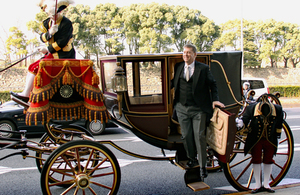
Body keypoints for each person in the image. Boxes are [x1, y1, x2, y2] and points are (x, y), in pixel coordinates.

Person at [171, 44, 225, 178]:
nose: (186, 55)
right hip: (182, 108)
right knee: (186, 135)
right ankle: (191, 159)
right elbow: (173, 83)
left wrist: (215, 100)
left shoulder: (203, 68)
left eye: (189, 53)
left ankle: (202, 166)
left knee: (199, 136)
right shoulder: (178, 67)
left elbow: (213, 84)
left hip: (198, 109)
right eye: (184, 52)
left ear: (195, 55)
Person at [10, 0, 75, 103]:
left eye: (55, 14)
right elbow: (42, 37)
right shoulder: (46, 23)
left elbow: (62, 42)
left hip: (64, 55)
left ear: (60, 11)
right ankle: (26, 93)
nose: (53, 16)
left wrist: (47, 49)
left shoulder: (66, 23)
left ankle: (27, 95)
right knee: (32, 66)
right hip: (51, 54)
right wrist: (49, 33)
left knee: (38, 66)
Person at [236, 95, 283, 193]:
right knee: (256, 159)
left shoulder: (278, 109)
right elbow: (245, 119)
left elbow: (279, 124)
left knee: (268, 160)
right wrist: (240, 123)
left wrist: (278, 134)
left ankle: (266, 184)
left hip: (270, 138)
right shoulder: (252, 108)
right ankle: (257, 184)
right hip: (255, 138)